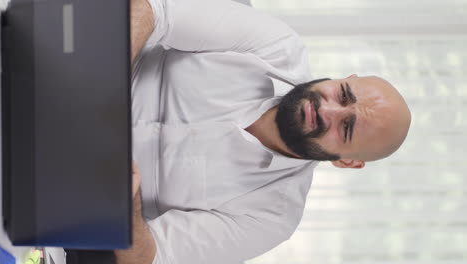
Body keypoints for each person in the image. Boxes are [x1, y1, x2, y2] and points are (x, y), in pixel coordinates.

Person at [115, 0, 412, 263]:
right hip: (81, 75)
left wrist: (124, 202)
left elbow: (150, 257)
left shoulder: (273, 217)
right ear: (345, 78)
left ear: (347, 161)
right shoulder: (276, 44)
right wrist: (98, 86)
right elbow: (154, 11)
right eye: (343, 94)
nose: (327, 110)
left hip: (89, 193)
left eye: (346, 128)